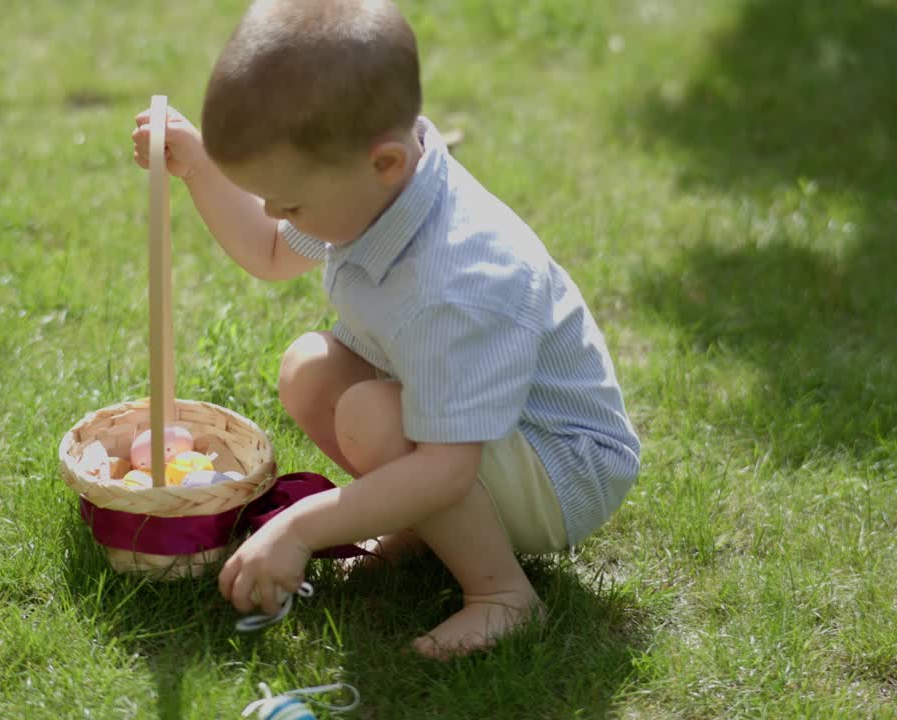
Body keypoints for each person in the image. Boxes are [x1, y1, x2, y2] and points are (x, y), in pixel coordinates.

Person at [130, 0, 640, 659]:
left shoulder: (459, 280)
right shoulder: (373, 185)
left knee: (371, 415)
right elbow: (270, 251)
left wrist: (299, 529)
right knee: (310, 368)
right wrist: (197, 165)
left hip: (562, 469)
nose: (277, 214)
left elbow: (447, 470)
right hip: (483, 434)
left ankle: (503, 596)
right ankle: (427, 533)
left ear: (385, 162)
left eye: (290, 203)